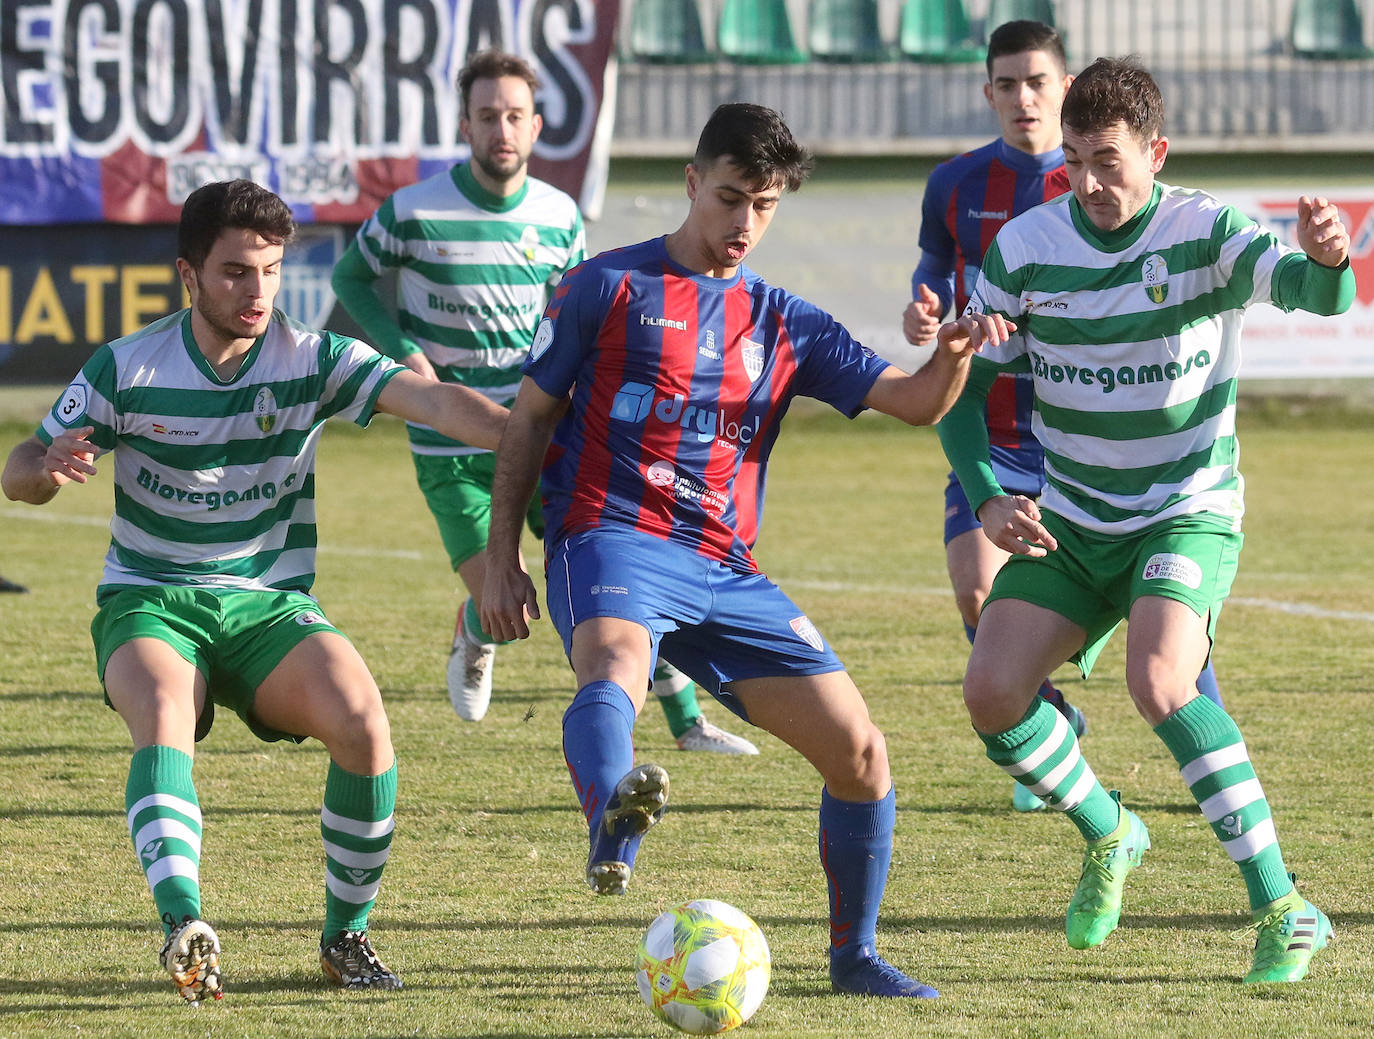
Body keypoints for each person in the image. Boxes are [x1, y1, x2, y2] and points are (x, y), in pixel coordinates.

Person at [480, 102, 1004, 999]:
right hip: (610, 533)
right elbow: (529, 419)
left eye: (763, 207)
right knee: (613, 661)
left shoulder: (782, 320)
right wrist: (500, 557)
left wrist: (955, 355)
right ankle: (614, 811)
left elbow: (916, 403)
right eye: (729, 199)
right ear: (692, 181)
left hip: (724, 566)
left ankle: (853, 958)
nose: (743, 226)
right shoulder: (603, 288)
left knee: (862, 753)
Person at [2, 179, 510, 1003]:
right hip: (151, 599)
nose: (256, 291)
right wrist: (47, 470)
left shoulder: (309, 358)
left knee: (362, 719)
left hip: (266, 603)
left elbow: (433, 399)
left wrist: (531, 432)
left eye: (270, 271)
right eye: (236, 271)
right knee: (165, 713)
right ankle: (185, 928)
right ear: (189, 275)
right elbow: (19, 466)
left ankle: (346, 937)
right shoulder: (128, 365)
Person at [936, 57, 1353, 983]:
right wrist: (989, 490)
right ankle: (1110, 831)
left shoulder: (1207, 231)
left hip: (1185, 509)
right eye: (1075, 160)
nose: (1089, 183)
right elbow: (964, 396)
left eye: (1109, 161)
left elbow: (1315, 295)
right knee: (991, 693)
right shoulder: (1029, 246)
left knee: (1161, 680)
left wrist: (1331, 262)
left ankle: (1285, 907)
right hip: (1077, 519)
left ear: (1155, 152)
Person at [331, 51, 756, 755]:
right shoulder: (412, 211)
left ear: (536, 126)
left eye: (516, 115)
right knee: (506, 599)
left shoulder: (559, 215)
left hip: (546, 435)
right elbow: (351, 280)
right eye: (488, 115)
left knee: (620, 574)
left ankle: (688, 725)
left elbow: (580, 324)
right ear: (465, 124)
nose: (503, 128)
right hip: (452, 452)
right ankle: (475, 627)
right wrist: (402, 351)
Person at [904, 21, 1223, 813]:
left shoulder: (1092, 183)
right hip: (988, 419)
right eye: (1006, 84)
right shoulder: (956, 184)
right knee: (984, 607)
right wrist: (937, 323)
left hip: (1068, 436)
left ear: (1066, 86)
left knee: (1163, 627)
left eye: (1037, 81)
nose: (1022, 97)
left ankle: (1200, 728)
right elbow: (937, 285)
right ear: (988, 93)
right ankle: (1055, 730)